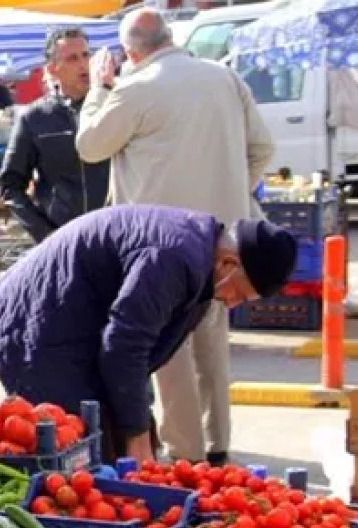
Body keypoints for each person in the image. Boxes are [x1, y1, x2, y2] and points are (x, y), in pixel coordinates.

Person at [76, 8, 275, 465]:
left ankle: (187, 458)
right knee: (211, 338)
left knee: (170, 347)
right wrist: (229, 191)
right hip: (225, 236)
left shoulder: (135, 88)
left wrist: (98, 89)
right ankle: (218, 444)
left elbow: (90, 146)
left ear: (130, 52)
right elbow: (262, 149)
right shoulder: (224, 78)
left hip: (162, 242)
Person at [0, 206, 297, 463]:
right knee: (71, 449)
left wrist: (138, 427)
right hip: (33, 326)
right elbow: (125, 347)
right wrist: (136, 435)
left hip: (76, 325)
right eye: (240, 293)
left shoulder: (201, 263)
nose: (232, 303)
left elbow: (139, 352)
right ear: (229, 263)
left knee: (110, 443)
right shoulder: (173, 257)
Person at [1, 28, 110, 243]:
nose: (83, 64)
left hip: (112, 231)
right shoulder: (34, 117)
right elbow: (11, 187)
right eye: (72, 58)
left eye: (86, 55)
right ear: (53, 69)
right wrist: (44, 233)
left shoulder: (112, 106)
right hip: (63, 237)